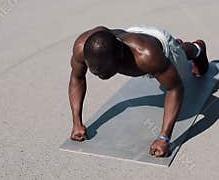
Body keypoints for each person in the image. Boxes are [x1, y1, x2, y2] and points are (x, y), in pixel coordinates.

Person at [68, 25, 209, 157]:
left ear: (118, 59)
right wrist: (77, 123)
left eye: (104, 70)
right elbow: (77, 78)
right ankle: (175, 53)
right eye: (94, 69)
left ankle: (196, 48)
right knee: (159, 68)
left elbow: (175, 88)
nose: (98, 74)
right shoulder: (81, 47)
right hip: (133, 36)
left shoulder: (147, 57)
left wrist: (164, 138)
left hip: (160, 47)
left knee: (179, 67)